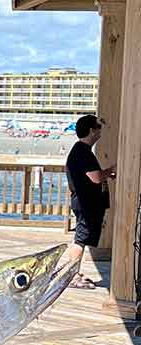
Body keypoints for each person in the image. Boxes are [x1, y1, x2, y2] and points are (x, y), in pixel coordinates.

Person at [63, 114, 117, 289]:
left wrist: (106, 173)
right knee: (80, 239)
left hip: (84, 202)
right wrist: (110, 170)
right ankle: (72, 276)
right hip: (86, 204)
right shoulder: (82, 152)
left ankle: (74, 273)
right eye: (98, 127)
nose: (100, 131)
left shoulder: (80, 150)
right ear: (91, 130)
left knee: (81, 238)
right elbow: (95, 177)